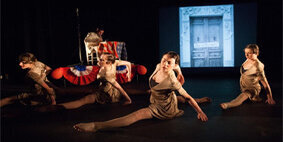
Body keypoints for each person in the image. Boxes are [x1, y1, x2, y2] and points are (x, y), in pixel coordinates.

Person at [73, 51, 208, 133]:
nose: (165, 64)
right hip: (159, 97)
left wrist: (200, 112)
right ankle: (200, 100)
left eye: (169, 63)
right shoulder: (158, 66)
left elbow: (188, 97)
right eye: (164, 60)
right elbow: (171, 66)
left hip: (163, 109)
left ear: (174, 65)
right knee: (174, 97)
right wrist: (178, 70)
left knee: (137, 115)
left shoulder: (172, 81)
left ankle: (96, 126)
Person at [37, 53, 132, 111]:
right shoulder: (115, 62)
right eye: (100, 58)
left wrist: (128, 100)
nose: (99, 60)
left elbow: (119, 87)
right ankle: (60, 92)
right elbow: (128, 63)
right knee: (86, 92)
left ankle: (58, 107)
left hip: (108, 94)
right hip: (109, 89)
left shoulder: (107, 74)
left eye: (102, 60)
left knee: (84, 100)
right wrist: (128, 73)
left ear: (109, 62)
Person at [220, 44, 276, 109]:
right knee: (243, 95)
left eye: (249, 53)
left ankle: (227, 105)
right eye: (245, 53)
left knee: (240, 98)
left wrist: (270, 98)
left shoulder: (258, 66)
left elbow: (265, 84)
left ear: (256, 53)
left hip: (252, 88)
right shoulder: (248, 59)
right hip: (244, 86)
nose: (246, 55)